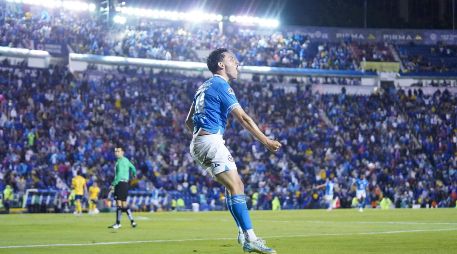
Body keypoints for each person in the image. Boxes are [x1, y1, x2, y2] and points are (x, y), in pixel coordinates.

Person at [185, 48, 281, 254]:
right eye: (233, 60)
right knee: (236, 186)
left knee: (235, 185)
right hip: (210, 140)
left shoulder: (203, 86)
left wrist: (202, 135)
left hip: (200, 141)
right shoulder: (221, 84)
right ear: (221, 64)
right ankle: (251, 238)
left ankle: (242, 232)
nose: (237, 64)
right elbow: (244, 118)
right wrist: (266, 141)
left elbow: (187, 121)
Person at [108, 146, 137, 229]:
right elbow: (133, 168)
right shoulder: (126, 160)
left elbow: (119, 174)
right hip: (125, 184)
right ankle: (132, 221)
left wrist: (113, 184)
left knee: (119, 204)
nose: (116, 153)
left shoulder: (120, 161)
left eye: (118, 151)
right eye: (116, 151)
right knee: (124, 204)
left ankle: (118, 223)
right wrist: (134, 174)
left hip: (119, 183)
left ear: (122, 152)